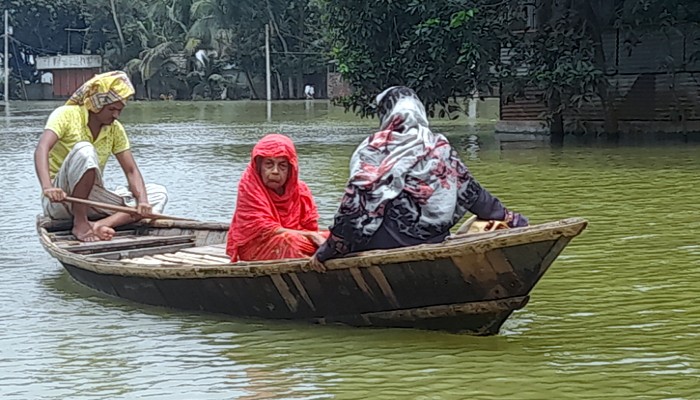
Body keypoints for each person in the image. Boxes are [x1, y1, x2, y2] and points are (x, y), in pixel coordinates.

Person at [308, 86, 528, 272]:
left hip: (384, 245)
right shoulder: (439, 147)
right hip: (434, 241)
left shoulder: (375, 148)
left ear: (386, 114)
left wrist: (327, 252)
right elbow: (474, 195)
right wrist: (511, 219)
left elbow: (355, 209)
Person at [34, 70, 168, 242]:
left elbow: (131, 170)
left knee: (157, 193)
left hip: (92, 200)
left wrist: (142, 202)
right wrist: (48, 187)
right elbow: (42, 149)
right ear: (96, 104)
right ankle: (80, 223)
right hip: (62, 199)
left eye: (119, 110)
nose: (115, 115)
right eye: (111, 109)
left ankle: (101, 224)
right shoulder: (66, 115)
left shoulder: (115, 129)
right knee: (85, 150)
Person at [226, 133, 328, 262]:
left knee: (336, 238)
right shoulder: (249, 186)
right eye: (269, 164)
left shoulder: (300, 190)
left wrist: (315, 237)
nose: (275, 171)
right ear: (259, 166)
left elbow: (310, 226)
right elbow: (265, 229)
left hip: (296, 238)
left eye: (282, 166)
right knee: (289, 241)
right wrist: (310, 235)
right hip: (257, 246)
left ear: (291, 169)